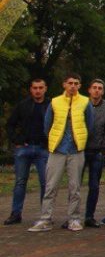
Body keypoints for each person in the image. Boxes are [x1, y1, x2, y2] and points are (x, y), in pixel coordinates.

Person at [28, 73, 92, 232]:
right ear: (64, 84)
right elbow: (47, 124)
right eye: (70, 83)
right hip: (57, 149)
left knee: (75, 187)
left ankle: (74, 219)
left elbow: (89, 124)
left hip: (76, 150)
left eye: (76, 83)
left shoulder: (85, 102)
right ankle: (45, 219)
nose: (73, 86)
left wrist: (81, 140)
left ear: (80, 86)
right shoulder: (55, 102)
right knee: (50, 186)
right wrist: (54, 140)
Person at [4, 78, 49, 226]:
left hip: (43, 148)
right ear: (31, 89)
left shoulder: (51, 106)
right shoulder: (23, 105)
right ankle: (15, 213)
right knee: (20, 182)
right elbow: (10, 124)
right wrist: (16, 140)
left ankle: (45, 215)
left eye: (40, 88)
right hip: (24, 148)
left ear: (45, 89)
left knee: (45, 182)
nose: (38, 91)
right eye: (35, 88)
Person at [82, 79, 105, 228]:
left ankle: (89, 216)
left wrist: (104, 148)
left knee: (94, 185)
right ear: (89, 90)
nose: (96, 90)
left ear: (103, 91)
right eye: (94, 87)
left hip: (97, 151)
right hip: (80, 150)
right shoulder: (82, 104)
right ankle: (73, 215)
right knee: (75, 185)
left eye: (100, 88)